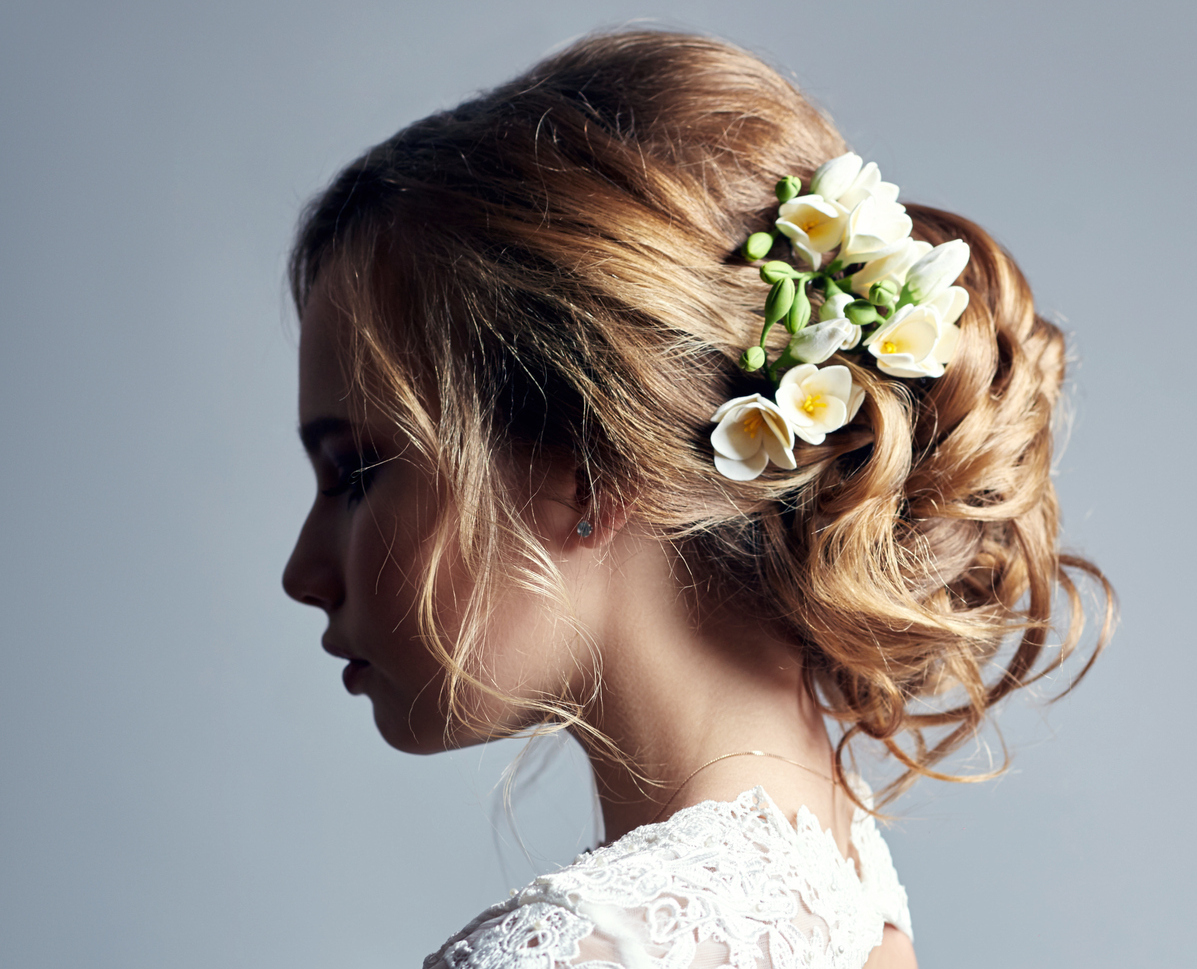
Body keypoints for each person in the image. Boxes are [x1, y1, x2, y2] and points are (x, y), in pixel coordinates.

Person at [281, 30, 1110, 968]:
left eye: (358, 471)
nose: (301, 572)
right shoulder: (852, 905)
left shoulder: (571, 953)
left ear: (582, 466)